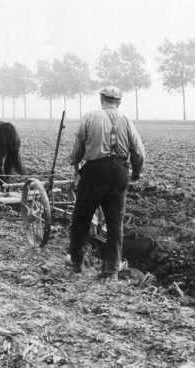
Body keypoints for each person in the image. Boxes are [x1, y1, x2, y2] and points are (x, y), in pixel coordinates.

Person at [64, 85, 145, 281]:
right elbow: (139, 151)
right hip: (119, 172)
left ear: (102, 100)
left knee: (81, 217)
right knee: (115, 223)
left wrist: (74, 163)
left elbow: (78, 147)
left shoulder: (90, 117)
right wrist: (135, 172)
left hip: (94, 171)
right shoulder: (126, 120)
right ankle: (111, 271)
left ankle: (76, 263)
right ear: (118, 102)